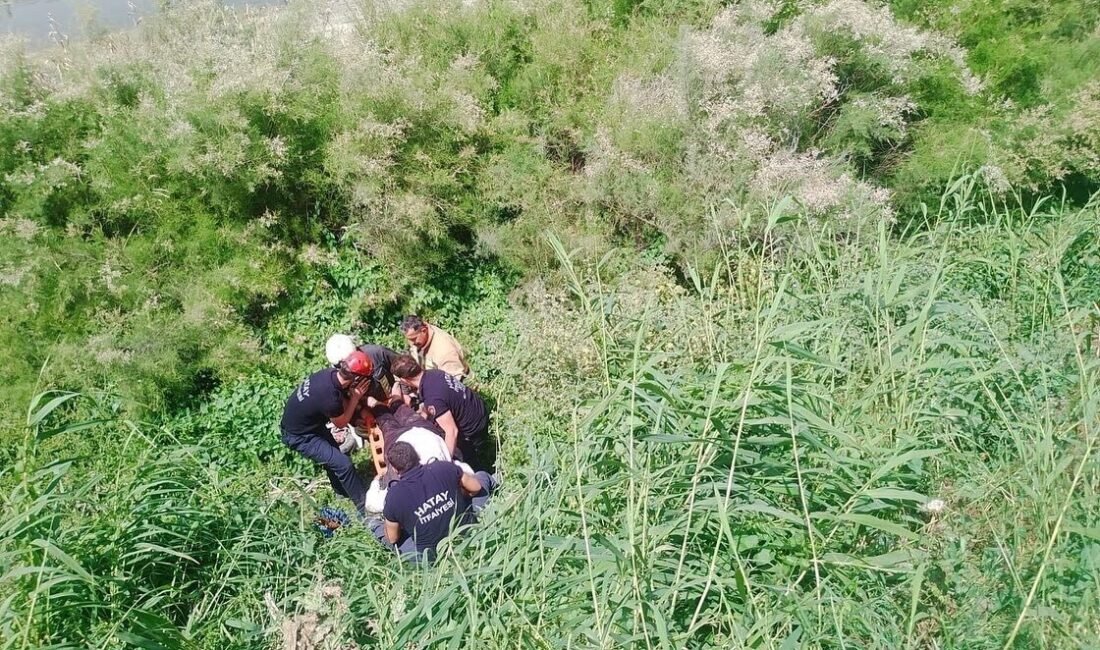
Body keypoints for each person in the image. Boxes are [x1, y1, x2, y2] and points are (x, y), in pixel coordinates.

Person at [280, 350, 374, 515]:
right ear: (355, 378)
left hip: (308, 425)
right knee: (344, 465)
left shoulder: (330, 374)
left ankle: (341, 491)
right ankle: (364, 509)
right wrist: (356, 398)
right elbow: (341, 422)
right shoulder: (328, 396)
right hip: (300, 436)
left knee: (334, 457)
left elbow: (340, 401)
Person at [378, 441, 495, 562]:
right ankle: (500, 483)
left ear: (395, 469)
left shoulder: (394, 496)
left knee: (379, 528)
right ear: (417, 455)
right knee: (481, 476)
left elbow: (392, 539)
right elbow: (475, 488)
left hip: (432, 556)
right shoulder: (444, 467)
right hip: (468, 532)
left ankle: (372, 524)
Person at [391, 354, 492, 470]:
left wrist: (446, 465)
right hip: (478, 409)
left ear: (404, 380)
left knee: (468, 466)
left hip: (474, 431)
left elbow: (452, 431)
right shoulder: (434, 374)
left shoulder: (433, 398)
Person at [325, 334, 402, 401]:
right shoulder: (338, 375)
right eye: (342, 364)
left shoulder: (377, 353)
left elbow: (404, 367)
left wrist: (403, 392)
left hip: (397, 395)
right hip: (373, 409)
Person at [400, 315, 469, 379]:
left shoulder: (444, 351)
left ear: (424, 331)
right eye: (409, 339)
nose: (411, 344)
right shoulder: (421, 336)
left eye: (413, 339)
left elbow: (454, 381)